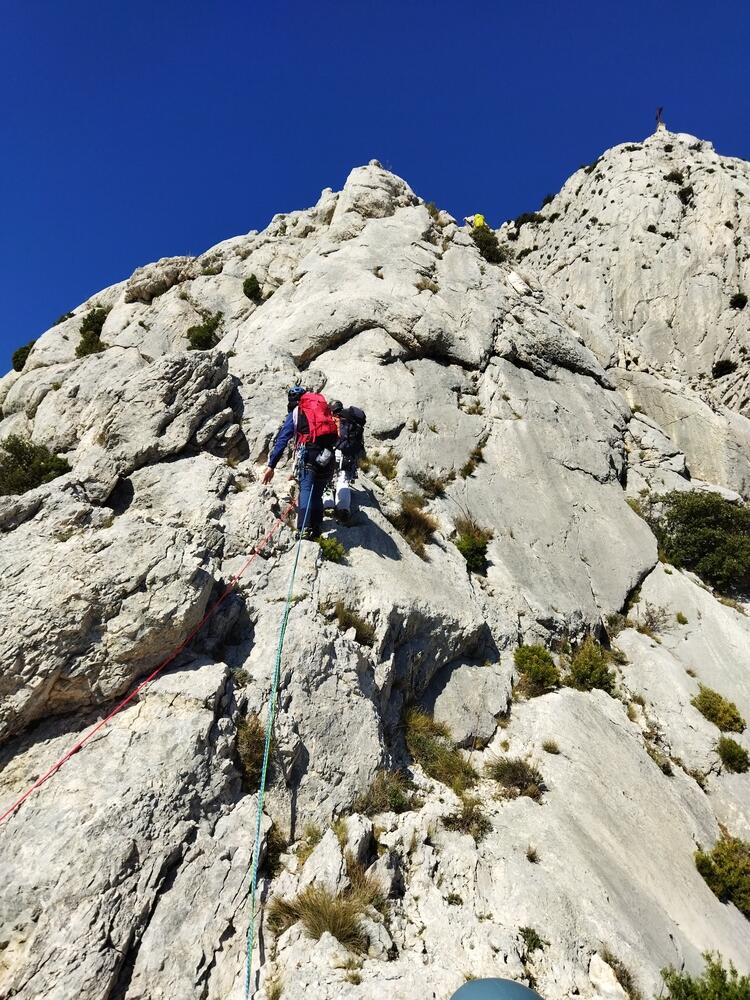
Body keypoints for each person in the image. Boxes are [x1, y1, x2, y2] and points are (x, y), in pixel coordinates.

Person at [262, 386, 339, 538]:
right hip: (327, 454)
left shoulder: (296, 412)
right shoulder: (323, 410)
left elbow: (283, 439)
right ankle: (316, 529)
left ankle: (304, 528)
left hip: (309, 453)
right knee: (317, 493)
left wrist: (271, 465)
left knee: (306, 489)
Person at [328, 400, 367, 522]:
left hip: (335, 451)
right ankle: (343, 509)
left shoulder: (336, 419)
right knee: (343, 480)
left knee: (328, 479)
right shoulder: (353, 422)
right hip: (349, 455)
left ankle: (327, 505)